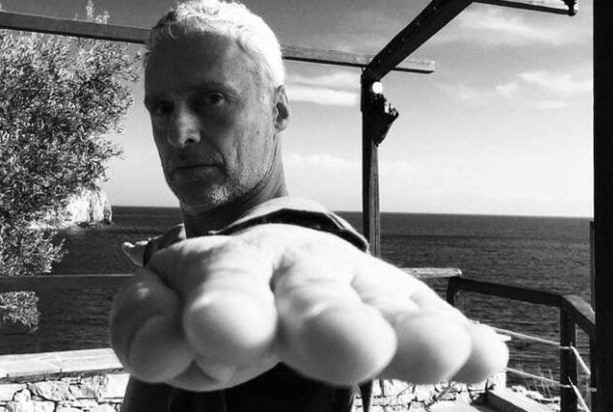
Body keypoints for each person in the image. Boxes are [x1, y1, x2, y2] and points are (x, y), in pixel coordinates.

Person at [110, 1, 508, 411]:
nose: (178, 133)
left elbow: (289, 242)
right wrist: (162, 252)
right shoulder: (184, 255)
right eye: (162, 108)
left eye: (212, 99)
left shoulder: (287, 283)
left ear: (278, 110)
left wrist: (292, 239)